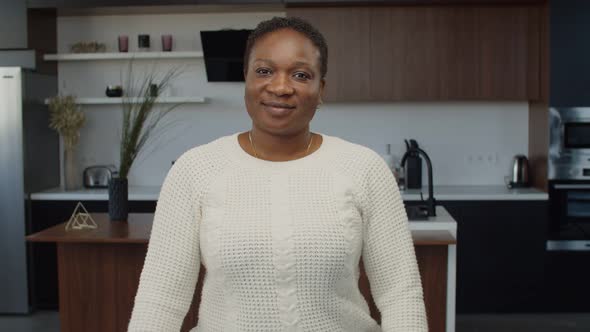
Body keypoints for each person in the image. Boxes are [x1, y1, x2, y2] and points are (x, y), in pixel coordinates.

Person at [128, 17, 427, 332]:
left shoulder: (364, 168)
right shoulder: (195, 170)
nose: (281, 87)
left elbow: (400, 295)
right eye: (264, 71)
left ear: (320, 88)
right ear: (246, 78)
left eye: (300, 74)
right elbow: (160, 300)